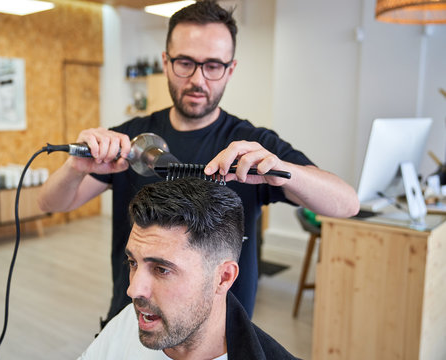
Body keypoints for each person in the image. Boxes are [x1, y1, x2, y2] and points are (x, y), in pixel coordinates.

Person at [38, 0, 359, 325]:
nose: (198, 79)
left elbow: (346, 204)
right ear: (166, 62)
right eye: (185, 63)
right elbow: (50, 202)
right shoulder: (131, 138)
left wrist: (282, 172)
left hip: (219, 336)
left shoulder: (253, 145)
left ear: (230, 69)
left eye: (213, 66)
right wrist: (75, 169)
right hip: (134, 322)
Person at [78, 178, 300, 360]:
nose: (133, 291)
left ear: (223, 277)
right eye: (133, 263)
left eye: (162, 269)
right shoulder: (130, 320)